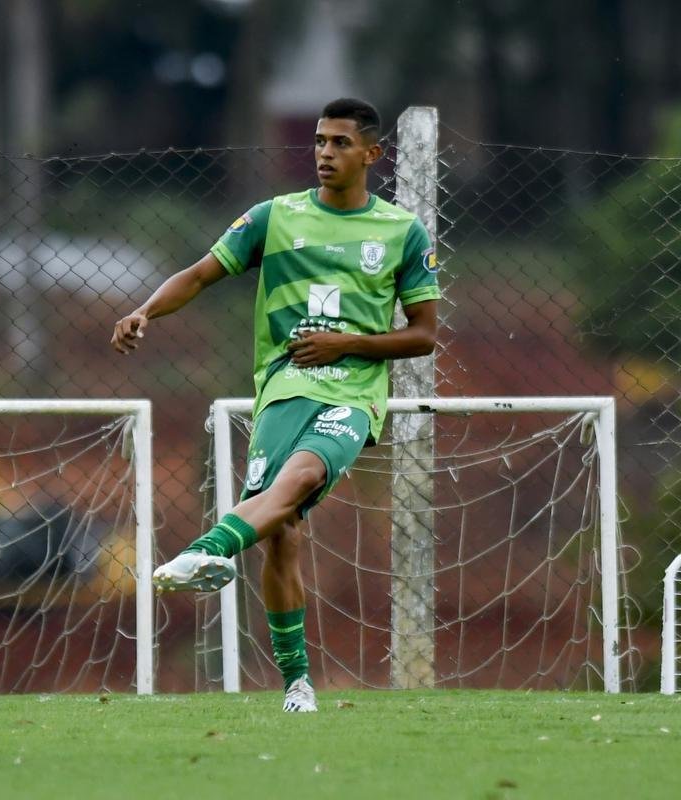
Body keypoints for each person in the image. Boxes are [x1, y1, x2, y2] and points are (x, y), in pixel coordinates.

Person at [111, 98, 440, 712]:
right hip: (283, 391)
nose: (324, 153)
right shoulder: (273, 217)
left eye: (340, 143)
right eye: (319, 141)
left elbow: (424, 334)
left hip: (353, 393)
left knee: (308, 471)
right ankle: (297, 683)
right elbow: (201, 273)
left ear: (371, 154)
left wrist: (348, 343)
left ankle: (207, 549)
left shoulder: (401, 231)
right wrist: (144, 311)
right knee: (281, 531)